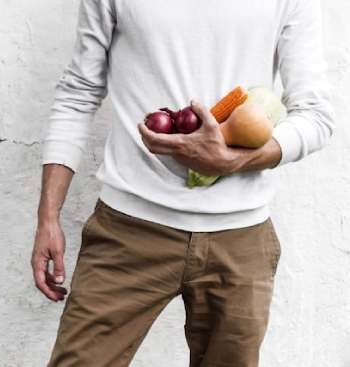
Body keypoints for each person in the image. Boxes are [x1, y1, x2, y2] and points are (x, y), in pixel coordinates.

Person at [31, 0, 335, 366]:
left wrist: (233, 161)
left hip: (240, 240)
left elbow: (315, 115)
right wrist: (48, 216)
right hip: (128, 231)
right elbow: (78, 94)